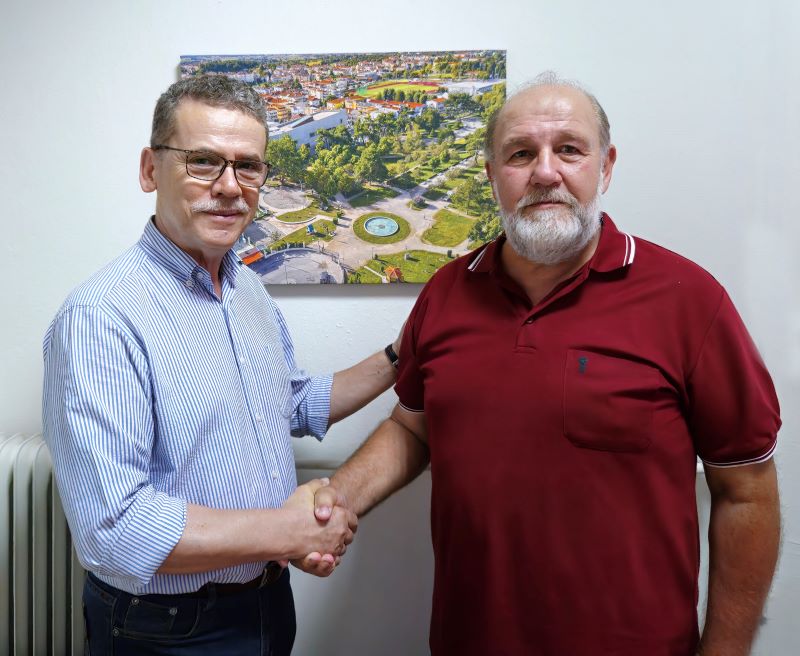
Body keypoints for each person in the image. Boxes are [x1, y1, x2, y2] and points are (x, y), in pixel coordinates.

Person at [312, 72, 781, 655]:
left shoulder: (689, 300)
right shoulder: (446, 292)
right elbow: (413, 428)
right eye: (520, 154)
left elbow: (746, 490)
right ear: (492, 175)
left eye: (569, 149)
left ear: (605, 166)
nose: (545, 172)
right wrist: (336, 501)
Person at [42, 75, 400, 656]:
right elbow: (115, 529)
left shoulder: (247, 290)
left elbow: (290, 403)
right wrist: (289, 531)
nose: (230, 187)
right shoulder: (101, 317)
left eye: (248, 166)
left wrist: (401, 355)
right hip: (168, 629)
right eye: (203, 161)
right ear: (150, 170)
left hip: (267, 602)